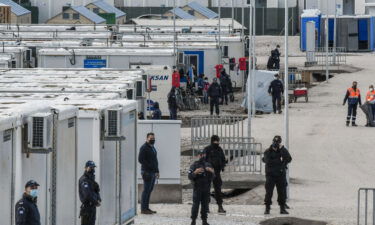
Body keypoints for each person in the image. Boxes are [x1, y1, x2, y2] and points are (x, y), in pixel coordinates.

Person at [262, 136, 292, 215]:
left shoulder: (282, 151)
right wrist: (280, 163)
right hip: (270, 175)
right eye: (274, 142)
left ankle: (282, 208)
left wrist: (282, 150)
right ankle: (267, 208)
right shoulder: (268, 151)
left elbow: (289, 158)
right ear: (272, 142)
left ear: (279, 143)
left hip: (280, 175)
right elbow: (268, 161)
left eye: (277, 142)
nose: (275, 144)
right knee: (269, 192)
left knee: (281, 192)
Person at [189, 150, 214, 225]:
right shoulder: (194, 165)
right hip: (197, 188)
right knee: (195, 205)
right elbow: (189, 176)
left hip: (206, 188)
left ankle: (204, 221)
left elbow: (213, 177)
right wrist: (195, 172)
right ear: (198, 156)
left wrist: (211, 171)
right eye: (200, 155)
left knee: (205, 205)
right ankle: (193, 220)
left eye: (203, 155)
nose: (202, 156)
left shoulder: (208, 165)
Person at [204, 135, 227, 213]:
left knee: (218, 190)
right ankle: (206, 207)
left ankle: (220, 207)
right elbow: (203, 160)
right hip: (208, 173)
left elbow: (223, 159)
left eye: (217, 141)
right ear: (212, 141)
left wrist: (223, 167)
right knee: (206, 190)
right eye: (215, 141)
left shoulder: (219, 149)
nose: (216, 143)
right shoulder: (207, 149)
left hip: (217, 172)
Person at [138, 133, 159, 214]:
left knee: (149, 190)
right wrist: (150, 166)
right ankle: (143, 209)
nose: (152, 139)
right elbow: (140, 159)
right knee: (146, 191)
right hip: (147, 172)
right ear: (147, 138)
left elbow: (155, 160)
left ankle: (147, 208)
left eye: (153, 138)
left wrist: (157, 171)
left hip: (153, 172)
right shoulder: (144, 148)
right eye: (151, 138)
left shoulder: (152, 147)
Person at [79, 161, 101, 225]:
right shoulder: (84, 180)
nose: (92, 169)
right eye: (90, 168)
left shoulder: (91, 180)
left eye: (93, 168)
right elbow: (87, 194)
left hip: (92, 208)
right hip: (87, 208)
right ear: (85, 168)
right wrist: (96, 202)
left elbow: (95, 190)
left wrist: (98, 197)